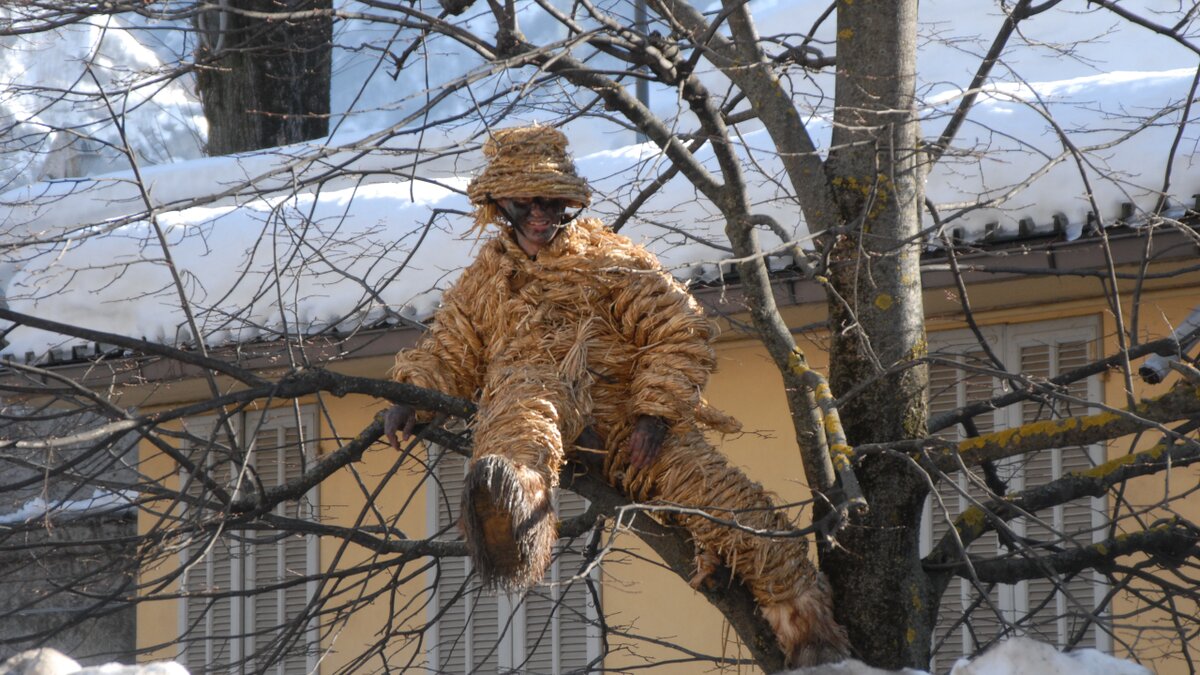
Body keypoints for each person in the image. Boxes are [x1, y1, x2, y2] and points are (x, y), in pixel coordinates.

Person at [384, 125, 849, 667]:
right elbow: (450, 351)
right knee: (521, 396)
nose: (540, 215)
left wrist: (654, 412)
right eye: (525, 202)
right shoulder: (483, 284)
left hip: (631, 432)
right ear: (498, 205)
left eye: (553, 201)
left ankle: (814, 644)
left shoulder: (613, 261)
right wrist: (410, 395)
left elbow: (676, 329)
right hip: (533, 406)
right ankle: (510, 498)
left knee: (740, 511)